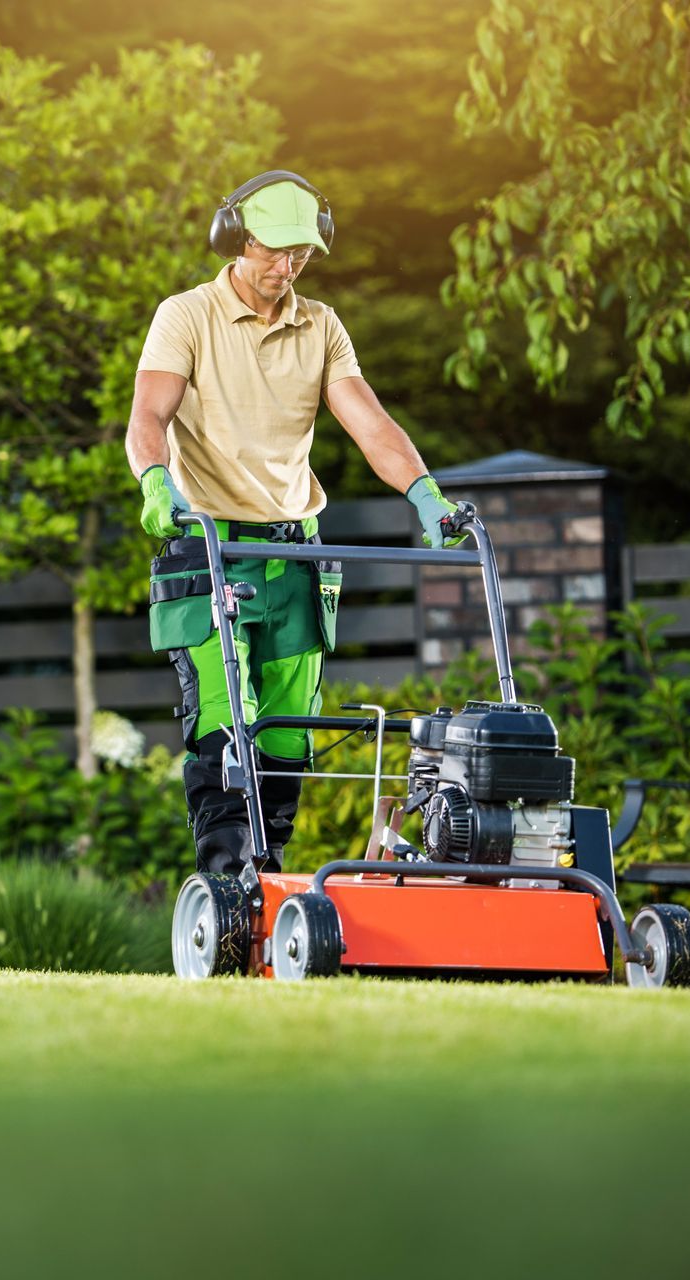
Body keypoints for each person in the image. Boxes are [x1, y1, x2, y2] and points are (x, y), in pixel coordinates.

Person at [124, 169, 458, 877]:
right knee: (223, 725)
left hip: (294, 556)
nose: (287, 266)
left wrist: (425, 492)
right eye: (274, 250)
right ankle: (225, 888)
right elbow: (147, 417)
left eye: (301, 253)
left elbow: (370, 424)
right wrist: (156, 480)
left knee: (287, 737)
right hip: (209, 547)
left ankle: (268, 879)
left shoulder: (322, 326)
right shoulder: (186, 315)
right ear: (236, 238)